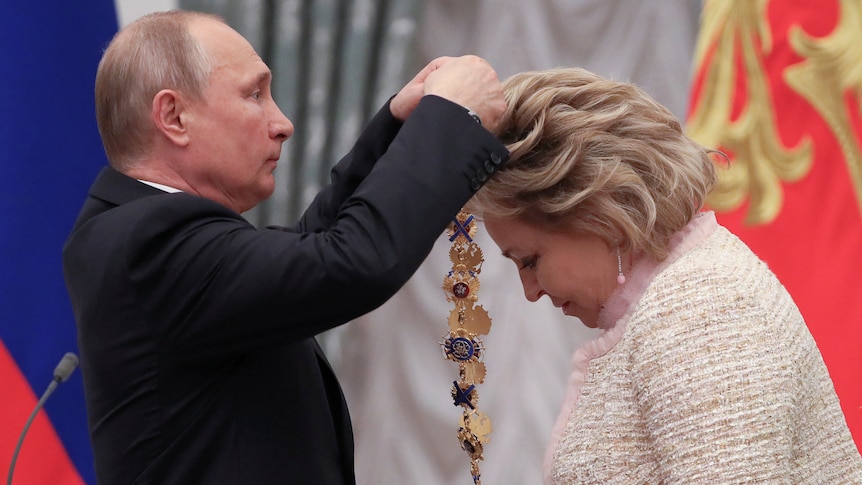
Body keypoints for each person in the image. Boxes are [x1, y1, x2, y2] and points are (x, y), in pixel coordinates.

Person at [61, 10, 508, 485]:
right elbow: (348, 262)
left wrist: (402, 120)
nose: (283, 123)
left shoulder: (146, 235)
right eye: (254, 95)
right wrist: (451, 118)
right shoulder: (146, 243)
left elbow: (308, 249)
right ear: (174, 117)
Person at [464, 67, 862, 484]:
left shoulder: (703, 310)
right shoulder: (685, 296)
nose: (529, 291)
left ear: (600, 216)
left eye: (529, 260)